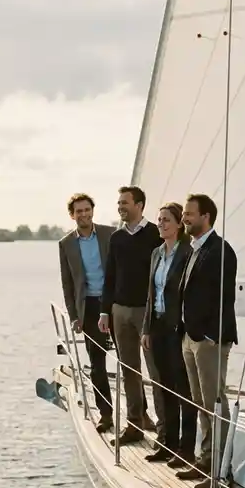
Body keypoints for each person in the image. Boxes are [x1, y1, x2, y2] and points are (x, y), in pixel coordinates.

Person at [173, 193, 238, 488]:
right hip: (191, 337)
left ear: (206, 217)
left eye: (189, 214)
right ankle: (205, 458)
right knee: (200, 401)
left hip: (209, 340)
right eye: (185, 214)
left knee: (214, 401)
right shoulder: (194, 249)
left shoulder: (220, 251)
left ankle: (219, 469)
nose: (184, 218)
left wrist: (211, 335)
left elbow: (224, 300)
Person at [99, 185, 162, 444]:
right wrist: (105, 311)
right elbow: (110, 276)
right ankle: (135, 424)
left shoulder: (155, 234)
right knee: (128, 370)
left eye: (125, 202)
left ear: (140, 205)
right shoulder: (116, 238)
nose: (120, 207)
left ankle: (165, 427)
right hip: (120, 311)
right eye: (119, 203)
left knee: (156, 371)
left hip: (147, 312)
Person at [141, 202, 196, 466]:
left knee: (183, 389)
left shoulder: (187, 253)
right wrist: (146, 329)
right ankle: (167, 444)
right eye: (159, 219)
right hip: (158, 327)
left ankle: (186, 449)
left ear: (178, 224)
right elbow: (151, 295)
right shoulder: (155, 254)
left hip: (178, 329)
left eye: (166, 220)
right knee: (163, 388)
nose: (161, 224)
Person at [58, 193, 116, 432]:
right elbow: (67, 283)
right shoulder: (66, 244)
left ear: (93, 210)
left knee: (129, 361)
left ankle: (140, 415)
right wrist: (74, 316)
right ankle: (106, 414)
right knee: (97, 364)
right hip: (89, 306)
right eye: (78, 211)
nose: (83, 214)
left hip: (114, 303)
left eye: (86, 209)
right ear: (72, 215)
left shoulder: (110, 234)